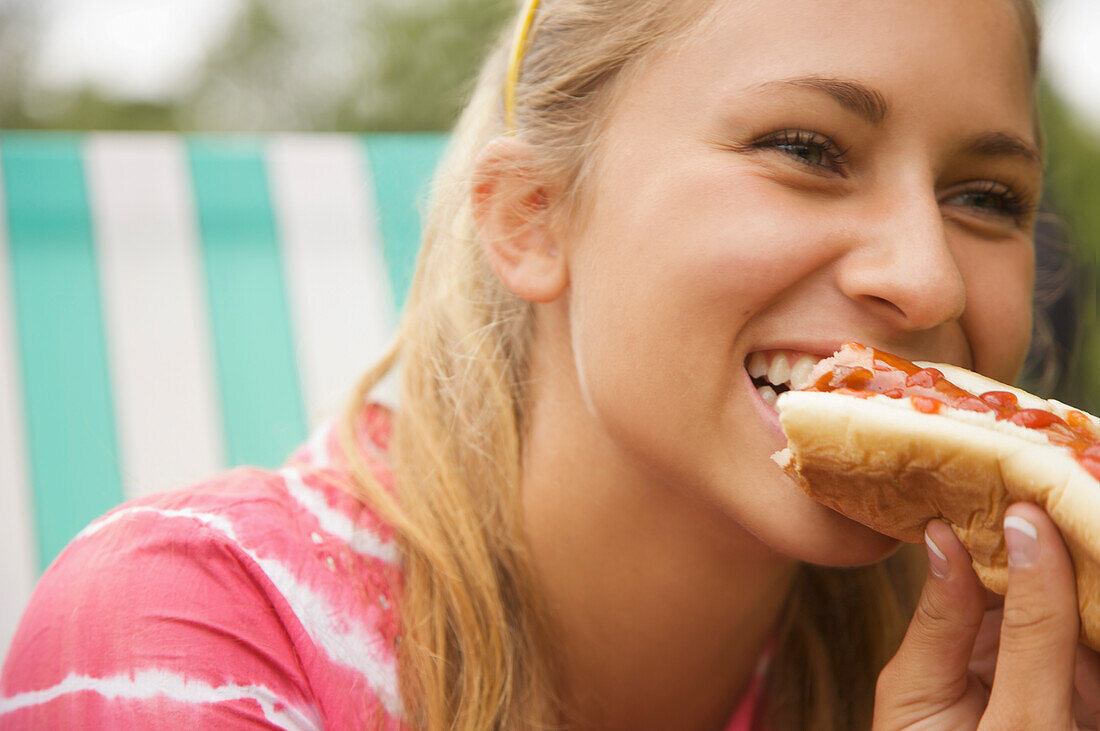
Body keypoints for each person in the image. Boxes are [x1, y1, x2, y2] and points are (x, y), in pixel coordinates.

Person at [2, 0, 1097, 728]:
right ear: (530, 216)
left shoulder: (1002, 679)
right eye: (804, 149)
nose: (927, 279)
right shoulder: (184, 625)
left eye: (983, 197)